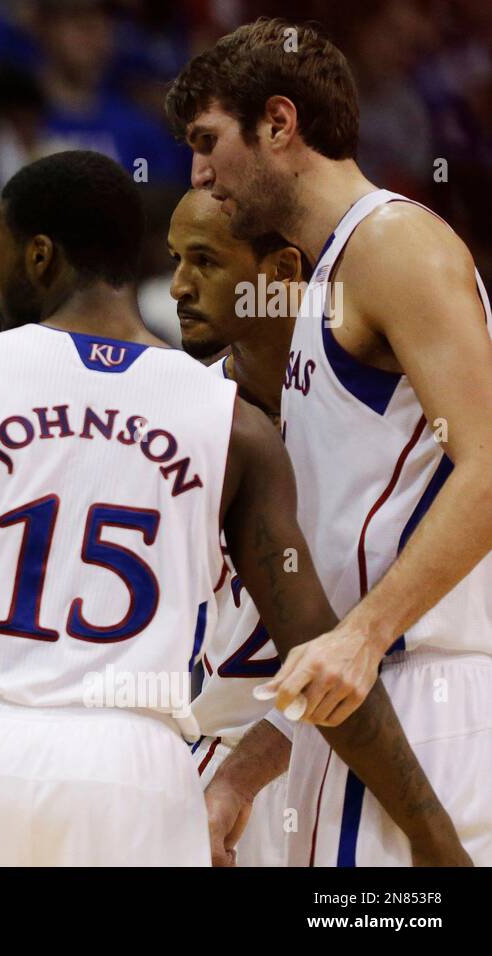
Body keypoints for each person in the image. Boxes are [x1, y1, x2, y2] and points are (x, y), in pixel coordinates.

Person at [0, 150, 466, 866]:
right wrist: (430, 833)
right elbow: (315, 647)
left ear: (40, 257)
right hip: (134, 770)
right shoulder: (231, 422)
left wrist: (4, 659)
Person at [167, 16, 492, 865]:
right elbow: (345, 607)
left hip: (427, 697)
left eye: (209, 141)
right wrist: (243, 775)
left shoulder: (395, 243)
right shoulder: (319, 283)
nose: (199, 172)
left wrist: (368, 633)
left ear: (279, 124)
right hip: (356, 706)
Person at [166, 187, 309, 865]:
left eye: (205, 262)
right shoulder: (170, 421)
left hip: (358, 746)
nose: (177, 286)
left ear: (282, 275)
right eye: (175, 259)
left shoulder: (385, 413)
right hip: (199, 769)